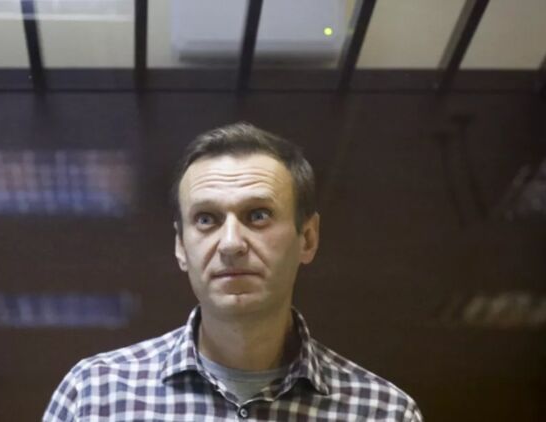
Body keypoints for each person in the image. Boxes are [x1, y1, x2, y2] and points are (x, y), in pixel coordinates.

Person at [43, 123, 423, 421]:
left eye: (257, 215)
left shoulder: (385, 413)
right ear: (181, 246)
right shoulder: (94, 395)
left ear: (307, 238)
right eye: (206, 219)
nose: (230, 244)